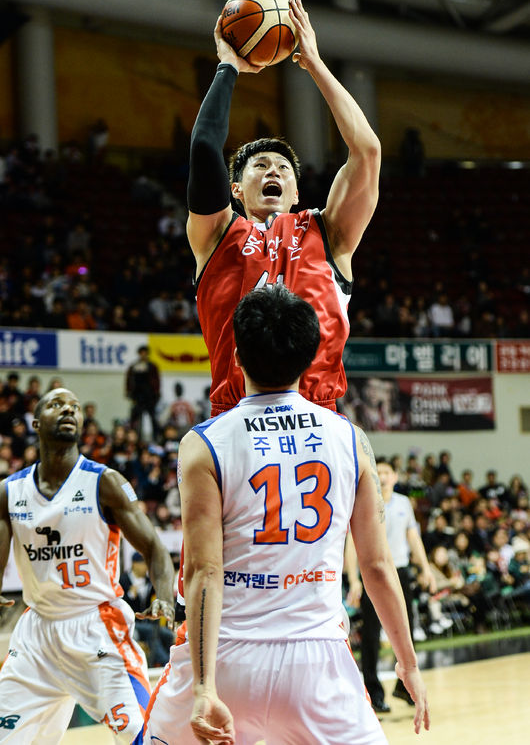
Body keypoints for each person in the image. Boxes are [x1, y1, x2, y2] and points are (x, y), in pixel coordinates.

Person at [143, 285, 429, 744]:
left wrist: (203, 687)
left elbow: (203, 571)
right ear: (311, 357)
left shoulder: (204, 442)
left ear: (237, 357)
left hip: (228, 655)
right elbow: (377, 565)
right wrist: (408, 663)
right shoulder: (351, 439)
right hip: (317, 663)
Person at [186, 0, 380, 417]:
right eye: (259, 165)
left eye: (283, 167)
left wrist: (315, 63)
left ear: (296, 192)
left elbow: (366, 151)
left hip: (316, 414)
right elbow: (204, 147)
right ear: (236, 189)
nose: (272, 169)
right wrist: (228, 66)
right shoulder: (217, 234)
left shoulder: (329, 233)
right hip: (237, 414)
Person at [0, 386, 176, 743]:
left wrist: (164, 596)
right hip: (36, 633)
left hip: (96, 626)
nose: (68, 410)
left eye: (75, 407)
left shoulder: (105, 482)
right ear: (36, 422)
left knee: (144, 735)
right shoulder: (9, 491)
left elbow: (155, 547)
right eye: (56, 404)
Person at [359, 459, 436, 713]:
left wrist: (426, 568)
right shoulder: (364, 499)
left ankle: (404, 687)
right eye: (378, 471)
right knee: (371, 634)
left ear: (394, 476)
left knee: (406, 628)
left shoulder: (404, 503)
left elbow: (413, 537)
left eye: (386, 472)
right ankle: (373, 693)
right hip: (373, 572)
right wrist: (354, 580)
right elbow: (351, 541)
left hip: (400, 571)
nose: (382, 476)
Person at [125, 344, 161, 441]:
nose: (143, 355)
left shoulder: (152, 366)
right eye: (141, 353)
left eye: (145, 353)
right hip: (138, 396)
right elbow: (129, 380)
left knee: (153, 417)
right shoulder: (134, 367)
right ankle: (133, 436)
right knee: (135, 418)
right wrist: (129, 392)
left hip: (149, 397)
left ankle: (156, 437)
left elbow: (157, 381)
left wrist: (156, 394)